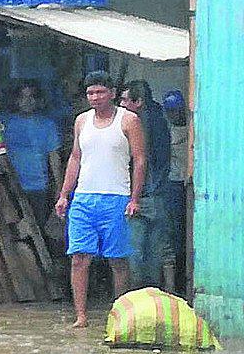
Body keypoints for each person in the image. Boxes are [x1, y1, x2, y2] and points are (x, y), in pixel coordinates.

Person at [55, 72, 147, 328]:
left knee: (117, 260)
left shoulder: (129, 120)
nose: (95, 98)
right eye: (90, 93)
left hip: (116, 198)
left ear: (113, 93)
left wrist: (135, 198)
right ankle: (81, 316)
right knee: (79, 258)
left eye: (100, 92)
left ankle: (120, 314)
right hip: (83, 198)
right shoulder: (81, 121)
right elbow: (75, 158)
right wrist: (64, 194)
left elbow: (139, 160)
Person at [119, 80, 171, 290]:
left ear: (138, 101)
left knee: (135, 253)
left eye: (124, 99)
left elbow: (141, 160)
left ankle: (137, 300)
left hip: (141, 196)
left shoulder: (136, 123)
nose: (120, 105)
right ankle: (155, 298)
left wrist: (134, 197)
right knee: (156, 253)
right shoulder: (158, 118)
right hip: (158, 194)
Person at [1, 81, 62, 226]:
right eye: (23, 97)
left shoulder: (47, 125)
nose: (27, 101)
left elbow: (54, 158)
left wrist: (60, 189)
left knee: (38, 230)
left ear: (38, 100)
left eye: (31, 97)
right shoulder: (5, 124)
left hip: (38, 188)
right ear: (16, 100)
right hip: (11, 186)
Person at [162, 89, 190, 292]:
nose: (174, 114)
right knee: (173, 233)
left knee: (186, 233)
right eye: (170, 110)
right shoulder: (165, 131)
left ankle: (183, 281)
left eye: (177, 110)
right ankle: (175, 284)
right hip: (171, 185)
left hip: (188, 185)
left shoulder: (192, 129)